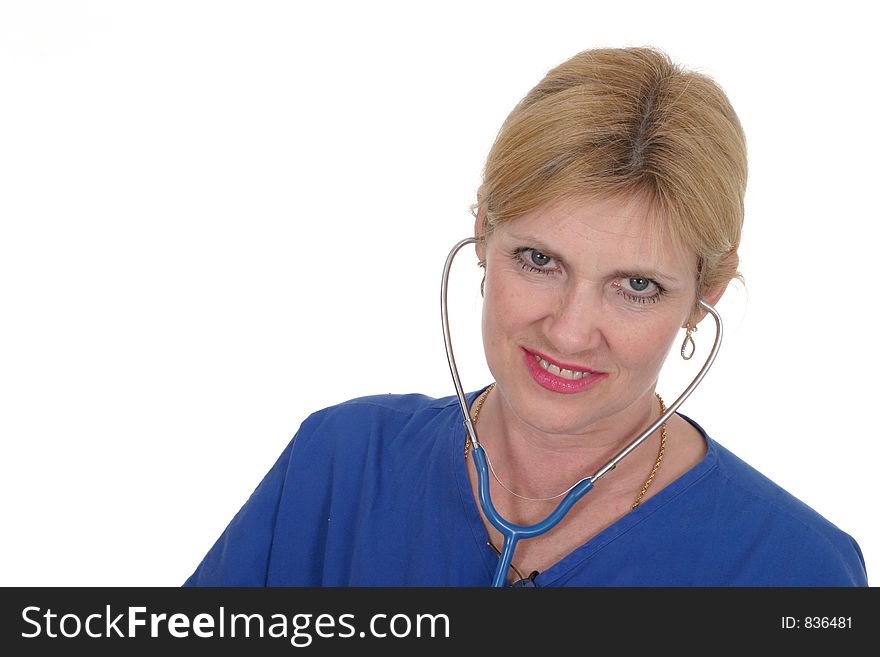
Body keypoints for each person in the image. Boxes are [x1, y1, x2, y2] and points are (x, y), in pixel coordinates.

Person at [184, 47, 867, 586]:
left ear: (706, 292)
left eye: (636, 284)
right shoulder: (338, 463)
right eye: (540, 260)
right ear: (483, 231)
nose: (569, 331)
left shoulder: (796, 570)